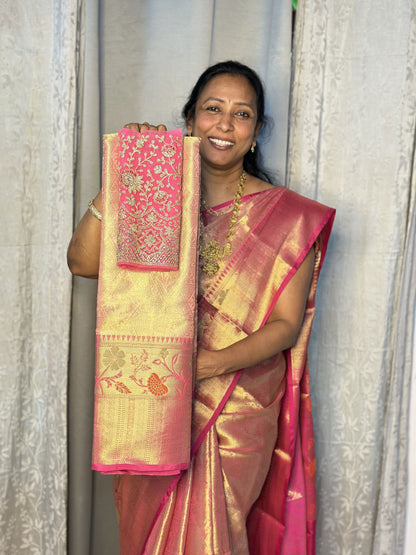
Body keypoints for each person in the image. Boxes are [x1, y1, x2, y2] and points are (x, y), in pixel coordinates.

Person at [68, 60, 335, 554]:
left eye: (242, 114)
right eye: (213, 109)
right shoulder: (155, 192)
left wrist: (206, 365)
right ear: (190, 119)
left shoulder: (288, 216)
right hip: (152, 400)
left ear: (256, 132)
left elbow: (284, 325)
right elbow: (82, 262)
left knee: (212, 537)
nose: (226, 124)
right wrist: (128, 171)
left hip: (234, 407)